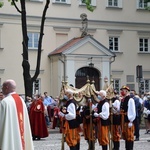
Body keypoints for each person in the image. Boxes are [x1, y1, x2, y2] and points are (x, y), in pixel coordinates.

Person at [0, 79, 34, 150]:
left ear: (6, 87)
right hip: (20, 135)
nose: (1, 89)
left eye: (2, 87)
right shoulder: (21, 100)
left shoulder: (5, 102)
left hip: (9, 136)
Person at [120, 85, 136, 150]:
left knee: (129, 136)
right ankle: (127, 148)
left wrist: (131, 120)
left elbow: (132, 110)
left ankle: (130, 148)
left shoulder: (130, 100)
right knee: (126, 136)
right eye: (121, 90)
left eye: (123, 90)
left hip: (128, 119)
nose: (121, 92)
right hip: (124, 119)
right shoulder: (123, 100)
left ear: (126, 91)